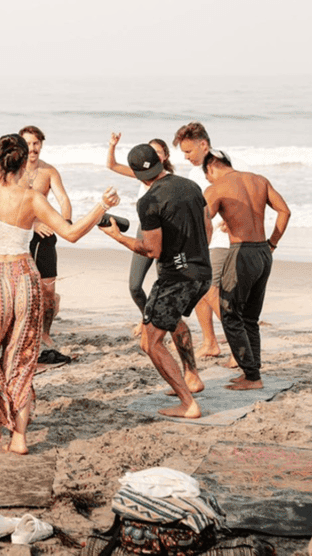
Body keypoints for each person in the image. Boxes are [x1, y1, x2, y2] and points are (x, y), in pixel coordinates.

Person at [0, 126, 119, 453]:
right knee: (21, 357)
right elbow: (72, 233)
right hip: (22, 278)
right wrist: (101, 206)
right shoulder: (32, 197)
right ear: (23, 165)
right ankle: (19, 437)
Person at [101, 143, 212, 419]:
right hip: (202, 272)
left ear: (138, 175)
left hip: (176, 278)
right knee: (173, 321)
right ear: (160, 163)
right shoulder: (191, 186)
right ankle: (192, 376)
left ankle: (188, 404)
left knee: (150, 343)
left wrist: (119, 237)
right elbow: (207, 224)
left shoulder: (148, 201)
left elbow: (152, 249)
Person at [203, 149, 291, 390]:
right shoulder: (259, 180)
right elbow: (285, 211)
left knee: (229, 313)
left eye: (208, 177)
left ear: (210, 168)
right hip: (263, 252)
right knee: (250, 318)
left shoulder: (216, 188)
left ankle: (251, 376)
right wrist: (273, 242)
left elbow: (204, 220)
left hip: (240, 253)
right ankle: (253, 374)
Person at [106, 132, 176, 338]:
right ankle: (147, 318)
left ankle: (164, 328)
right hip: (144, 231)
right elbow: (112, 165)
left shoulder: (172, 181)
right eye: (150, 151)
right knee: (135, 286)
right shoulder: (140, 175)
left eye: (158, 152)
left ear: (165, 156)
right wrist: (112, 145)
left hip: (168, 235)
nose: (153, 155)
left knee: (165, 288)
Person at [173, 122, 226, 358]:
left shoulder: (224, 162)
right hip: (202, 240)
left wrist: (234, 217)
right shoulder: (195, 173)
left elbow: (249, 189)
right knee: (199, 289)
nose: (186, 157)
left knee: (212, 291)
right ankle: (210, 342)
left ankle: (238, 345)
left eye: (188, 151)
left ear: (203, 144)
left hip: (224, 240)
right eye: (183, 152)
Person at [18, 125, 72, 345]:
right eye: (28, 144)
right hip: (20, 234)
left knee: (48, 294)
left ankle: (45, 333)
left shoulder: (49, 171)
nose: (32, 148)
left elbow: (63, 200)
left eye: (36, 143)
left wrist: (65, 224)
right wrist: (33, 224)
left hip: (44, 235)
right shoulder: (13, 171)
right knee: (26, 292)